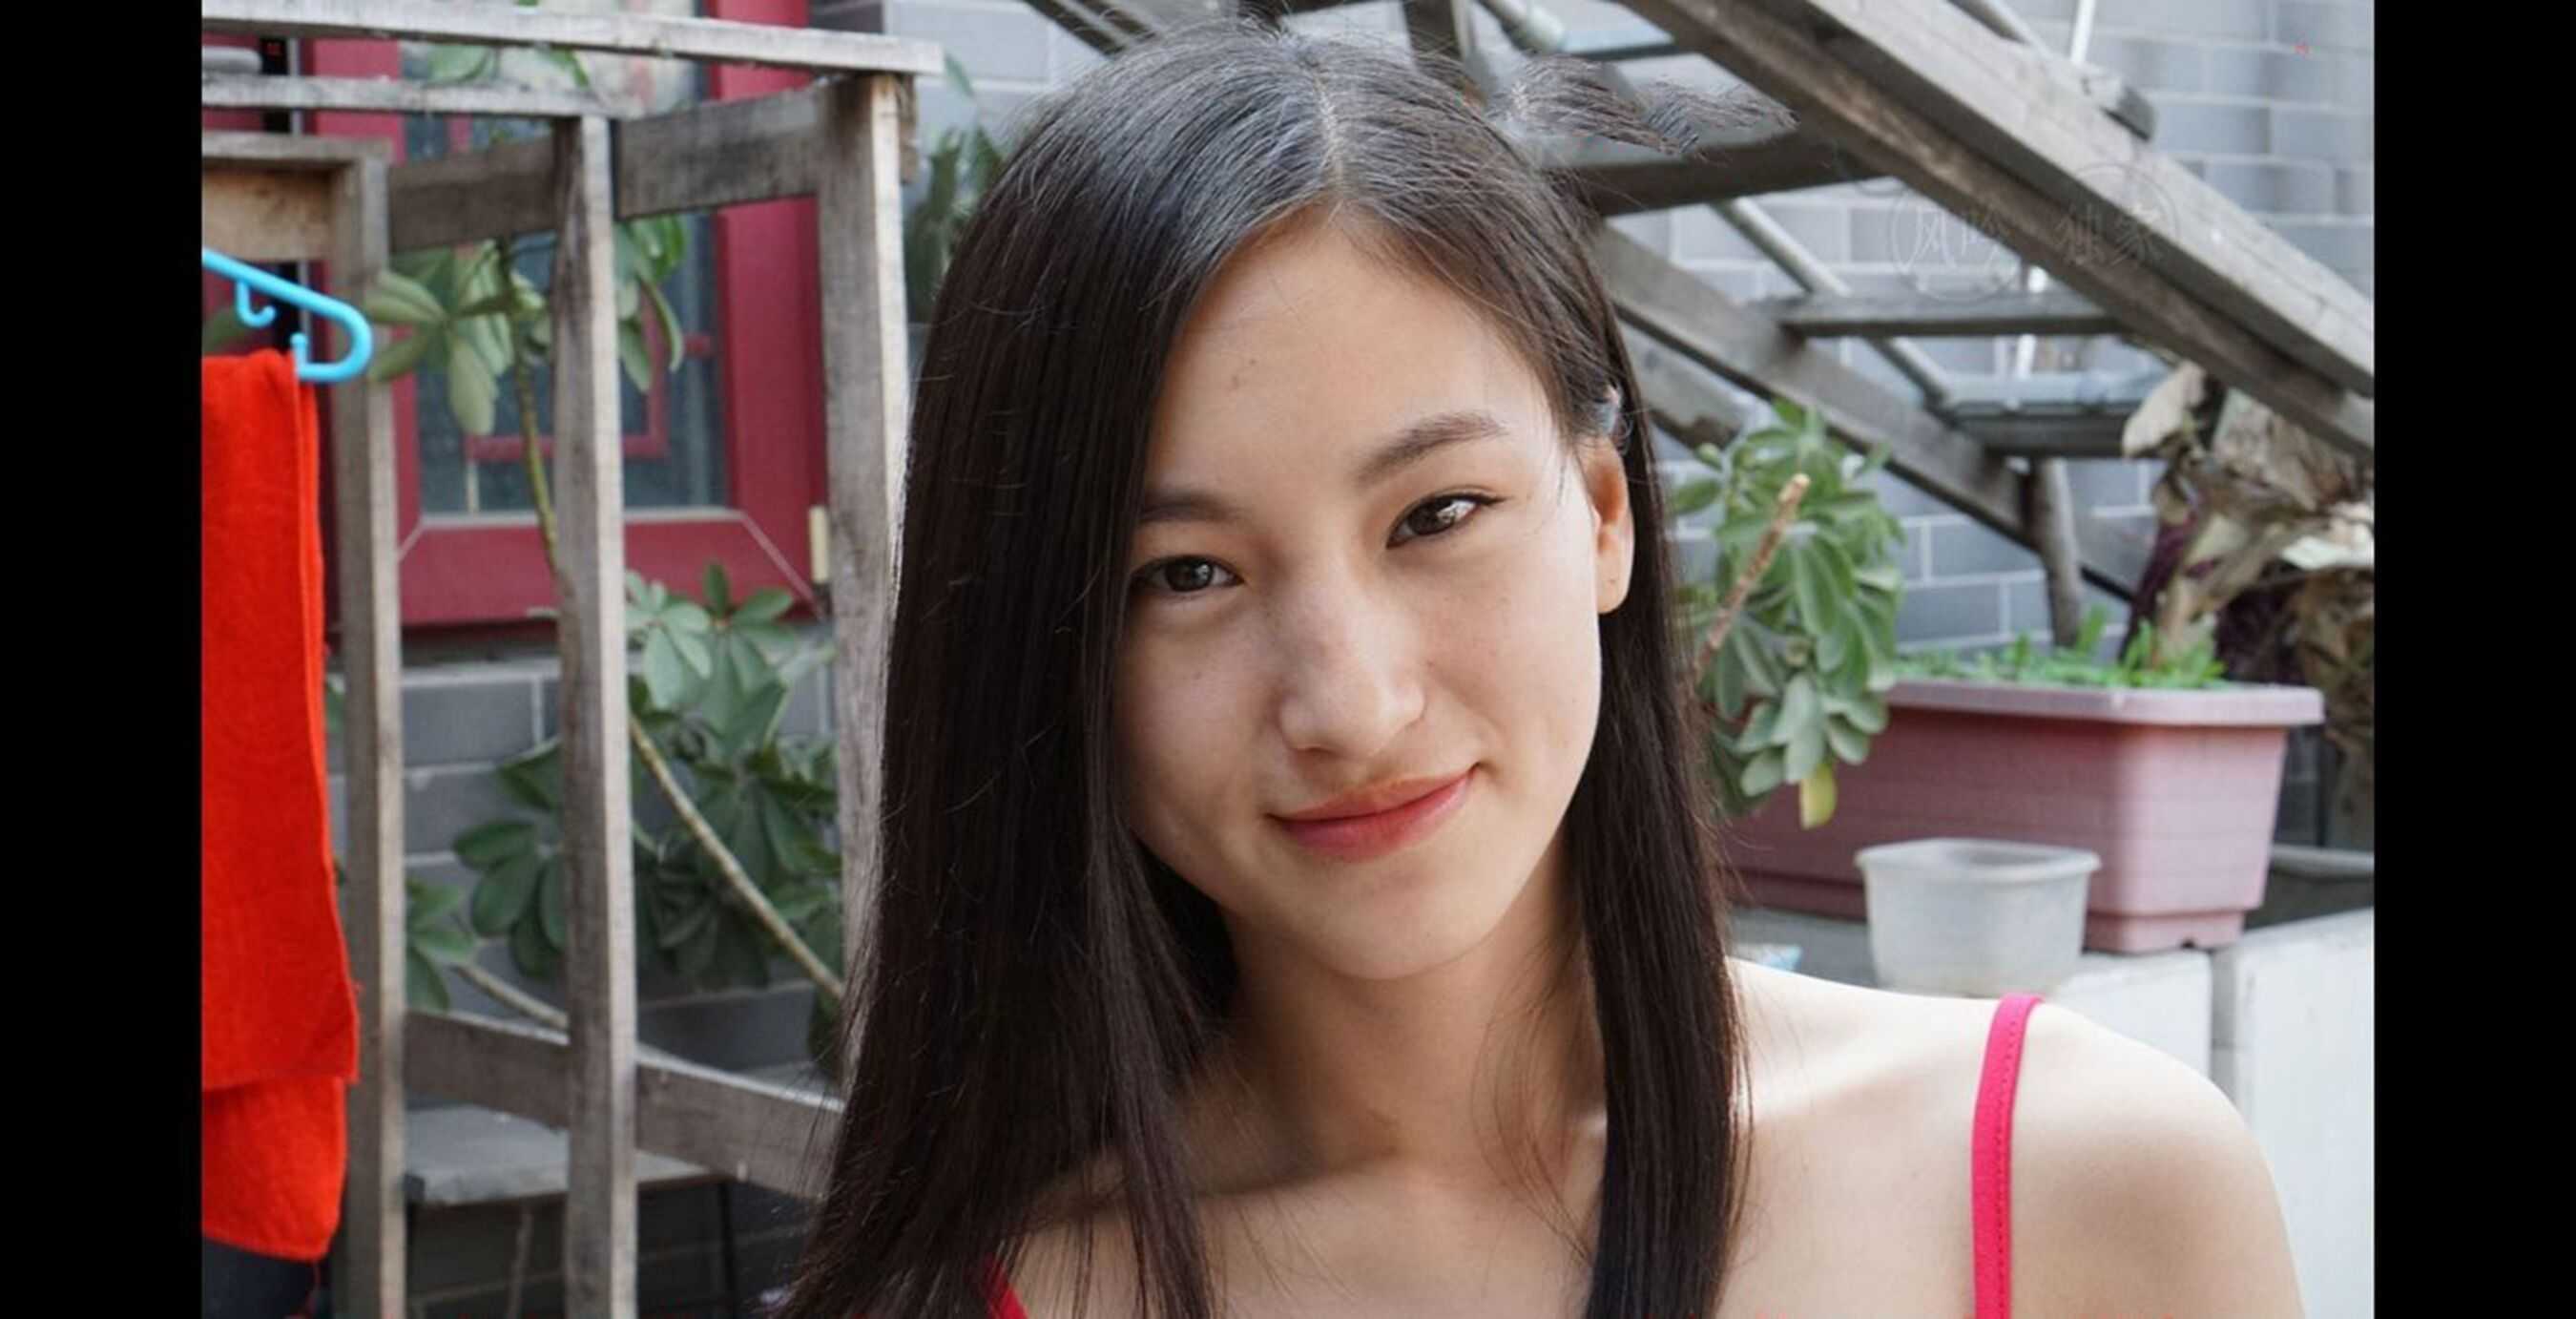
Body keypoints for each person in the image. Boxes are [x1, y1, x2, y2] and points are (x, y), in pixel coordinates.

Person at [774, 20, 2304, 1318]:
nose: (1351, 703)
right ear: (1049, 648)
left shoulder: (2090, 1184)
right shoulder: (996, 1288)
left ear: (1605, 511)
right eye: (1185, 575)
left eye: (1437, 515)